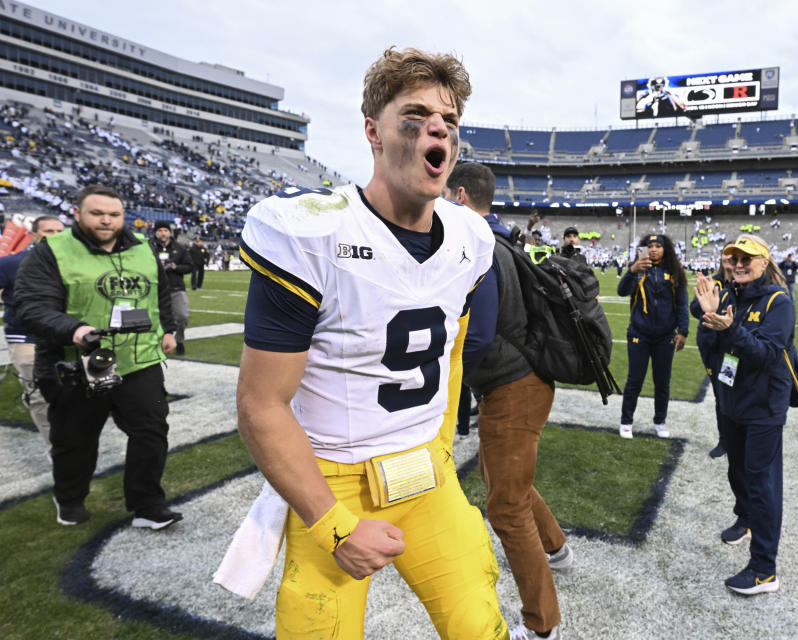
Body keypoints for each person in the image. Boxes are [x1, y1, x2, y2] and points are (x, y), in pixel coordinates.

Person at [230, 48, 508, 639]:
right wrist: (332, 525)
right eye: (415, 114)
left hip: (425, 471)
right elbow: (261, 404)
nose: (438, 126)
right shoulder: (313, 231)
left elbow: (453, 354)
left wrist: (438, 448)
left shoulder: (469, 237)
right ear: (372, 131)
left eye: (449, 119)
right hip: (331, 477)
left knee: (480, 623)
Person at [447, 162, 569, 640]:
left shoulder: (478, 243)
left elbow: (476, 335)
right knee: (501, 480)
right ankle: (556, 548)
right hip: (520, 380)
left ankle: (543, 626)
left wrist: (447, 379)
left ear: (458, 196)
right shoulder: (500, 238)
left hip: (512, 383)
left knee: (505, 506)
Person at [15, 184, 182, 529]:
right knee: (75, 439)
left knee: (151, 432)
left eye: (114, 214)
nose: (106, 220)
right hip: (76, 361)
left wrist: (167, 328)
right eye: (97, 213)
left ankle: (147, 504)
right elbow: (31, 305)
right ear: (77, 214)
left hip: (139, 361)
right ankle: (70, 497)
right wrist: (73, 329)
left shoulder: (142, 249)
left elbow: (159, 292)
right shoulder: (52, 251)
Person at [694, 234, 796, 596]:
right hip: (733, 400)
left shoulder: (778, 302)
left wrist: (730, 328)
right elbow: (712, 345)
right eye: (733, 258)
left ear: (764, 263)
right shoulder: (730, 295)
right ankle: (747, 520)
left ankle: (764, 570)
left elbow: (768, 354)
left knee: (762, 483)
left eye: (747, 259)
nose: (738, 264)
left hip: (764, 406)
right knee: (737, 470)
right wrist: (709, 315)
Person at [0, 215, 64, 452]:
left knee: (69, 392)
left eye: (60, 231)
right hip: (26, 336)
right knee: (40, 397)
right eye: (49, 231)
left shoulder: (72, 262)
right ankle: (56, 452)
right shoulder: (12, 264)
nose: (56, 236)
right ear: (35, 234)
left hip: (61, 336)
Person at [618, 233, 688, 439]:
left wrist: (683, 331)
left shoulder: (674, 272)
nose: (655, 249)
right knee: (635, 380)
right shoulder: (639, 270)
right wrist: (632, 271)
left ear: (666, 249)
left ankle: (660, 421)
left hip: (665, 336)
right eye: (651, 246)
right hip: (640, 334)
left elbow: (682, 304)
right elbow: (622, 291)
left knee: (662, 382)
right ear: (644, 249)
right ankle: (626, 421)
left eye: (659, 246)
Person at [691, 243, 734, 458]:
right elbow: (693, 308)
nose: (729, 257)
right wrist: (706, 304)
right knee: (721, 394)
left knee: (733, 393)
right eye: (726, 252)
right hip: (712, 347)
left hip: (734, 349)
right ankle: (724, 440)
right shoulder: (713, 280)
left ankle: (736, 439)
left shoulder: (743, 282)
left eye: (734, 254)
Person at [149, 221, 192, 354]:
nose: (163, 233)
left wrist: (175, 267)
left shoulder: (179, 248)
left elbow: (189, 266)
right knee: (152, 318)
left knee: (182, 316)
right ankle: (158, 342)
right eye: (160, 230)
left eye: (166, 230)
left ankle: (179, 340)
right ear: (155, 232)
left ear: (170, 232)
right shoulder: (148, 247)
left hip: (175, 288)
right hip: (154, 289)